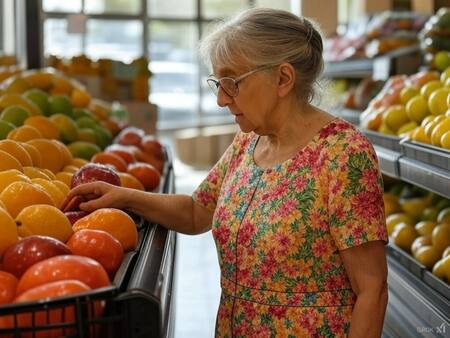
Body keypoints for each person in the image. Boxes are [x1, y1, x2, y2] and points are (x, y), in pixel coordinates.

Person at [66, 8, 388, 338]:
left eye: (231, 83)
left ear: (283, 79)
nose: (221, 99)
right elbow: (196, 212)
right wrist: (124, 197)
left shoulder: (343, 154)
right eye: (218, 83)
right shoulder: (248, 143)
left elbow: (372, 290)